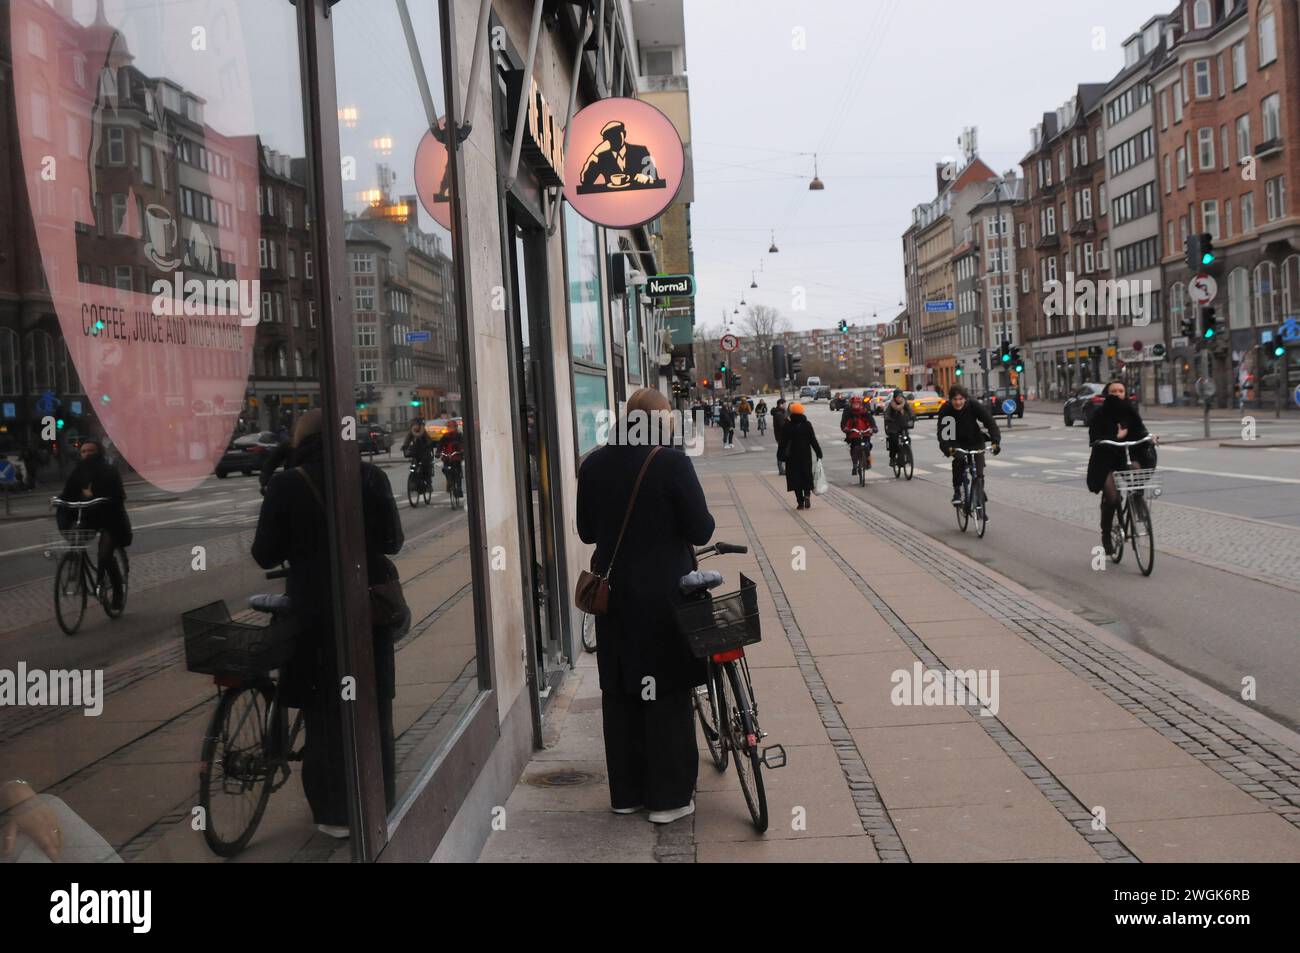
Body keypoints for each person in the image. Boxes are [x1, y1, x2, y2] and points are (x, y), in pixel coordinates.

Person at [252, 409, 404, 838]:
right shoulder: (369, 477)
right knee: (374, 707)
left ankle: (334, 814)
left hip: (313, 612)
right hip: (367, 607)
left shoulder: (286, 484)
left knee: (323, 711)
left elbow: (264, 553)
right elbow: (393, 540)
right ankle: (380, 799)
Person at [576, 388, 714, 823]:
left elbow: (585, 531)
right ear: (660, 420)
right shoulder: (670, 462)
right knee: (666, 692)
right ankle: (669, 799)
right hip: (662, 598)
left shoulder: (594, 462)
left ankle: (626, 794)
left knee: (620, 691)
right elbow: (701, 527)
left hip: (613, 597)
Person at [1087, 379, 1158, 555]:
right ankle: (1106, 534)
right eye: (1113, 391)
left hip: (1124, 456)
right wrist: (1116, 435)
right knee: (1112, 497)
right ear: (1107, 394)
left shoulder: (1130, 411)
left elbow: (1140, 430)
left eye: (1121, 391)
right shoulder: (1100, 414)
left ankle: (1136, 500)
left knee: (1136, 469)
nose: (1117, 394)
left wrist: (1149, 437)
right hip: (1105, 459)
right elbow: (1094, 436)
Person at [58, 440, 130, 610]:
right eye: (83, 451)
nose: (87, 454)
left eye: (91, 451)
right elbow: (68, 493)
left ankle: (118, 593)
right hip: (88, 518)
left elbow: (118, 496)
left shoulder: (109, 471)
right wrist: (59, 501)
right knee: (76, 541)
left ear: (99, 453)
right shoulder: (78, 472)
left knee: (105, 555)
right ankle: (78, 568)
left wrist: (95, 496)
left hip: (111, 519)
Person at [936, 385, 1001, 507]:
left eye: (961, 399)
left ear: (965, 399)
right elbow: (943, 433)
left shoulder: (973, 405)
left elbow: (989, 422)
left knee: (979, 471)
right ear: (950, 400)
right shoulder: (946, 410)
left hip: (975, 440)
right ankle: (957, 491)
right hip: (956, 441)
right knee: (959, 460)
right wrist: (947, 448)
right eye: (955, 399)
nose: (958, 402)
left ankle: (979, 495)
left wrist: (995, 441)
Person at [777, 402, 822, 509]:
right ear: (802, 412)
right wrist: (818, 452)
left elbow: (782, 442)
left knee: (795, 479)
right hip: (805, 455)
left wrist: (780, 455)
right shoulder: (807, 425)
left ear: (791, 412)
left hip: (792, 457)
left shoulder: (787, 425)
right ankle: (807, 495)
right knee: (806, 476)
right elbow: (813, 440)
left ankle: (800, 502)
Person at [839, 395, 878, 476]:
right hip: (853, 432)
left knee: (868, 445)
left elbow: (871, 420)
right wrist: (846, 429)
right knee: (854, 448)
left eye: (857, 404)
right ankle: (854, 465)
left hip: (865, 431)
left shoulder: (864, 411)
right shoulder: (848, 412)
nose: (856, 405)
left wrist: (874, 427)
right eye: (854, 404)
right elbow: (843, 423)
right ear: (851, 404)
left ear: (860, 404)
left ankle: (867, 460)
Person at [882, 389, 915, 466]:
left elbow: (910, 411)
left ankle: (907, 454)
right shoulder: (891, 405)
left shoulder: (905, 403)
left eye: (900, 396)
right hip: (893, 426)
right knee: (893, 441)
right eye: (898, 397)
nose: (899, 398)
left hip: (903, 425)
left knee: (907, 439)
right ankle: (892, 458)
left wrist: (912, 416)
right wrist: (888, 418)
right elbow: (886, 414)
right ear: (895, 398)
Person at [401, 419, 436, 491]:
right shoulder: (411, 433)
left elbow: (429, 440)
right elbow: (407, 440)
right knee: (413, 467)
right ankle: (413, 482)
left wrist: (428, 445)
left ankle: (429, 484)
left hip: (424, 453)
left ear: (419, 426)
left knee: (426, 467)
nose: (415, 427)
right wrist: (404, 446)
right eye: (414, 425)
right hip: (415, 453)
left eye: (416, 425)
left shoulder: (423, 432)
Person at [435, 418, 465, 496]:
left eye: (452, 427)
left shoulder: (459, 435)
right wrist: (438, 452)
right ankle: (449, 482)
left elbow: (462, 444)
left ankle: (459, 488)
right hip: (447, 457)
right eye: (449, 427)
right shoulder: (445, 436)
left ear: (455, 427)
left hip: (456, 457)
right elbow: (440, 445)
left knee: (458, 472)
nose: (450, 429)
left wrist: (461, 450)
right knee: (445, 469)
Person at [771, 398, 789, 474]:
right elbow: (782, 425)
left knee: (783, 451)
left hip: (780, 435)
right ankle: (781, 470)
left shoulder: (780, 412)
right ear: (780, 404)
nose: (785, 405)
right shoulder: (779, 414)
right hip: (781, 436)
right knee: (783, 452)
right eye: (784, 404)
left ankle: (782, 469)